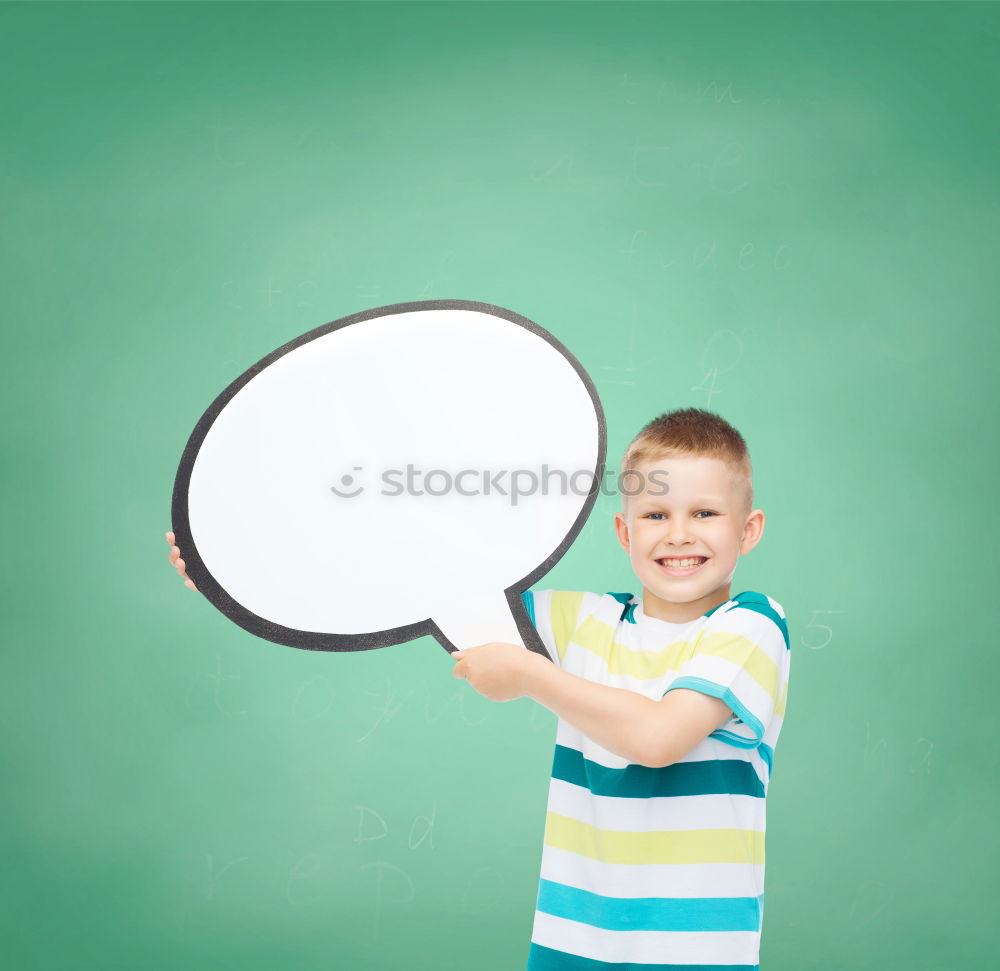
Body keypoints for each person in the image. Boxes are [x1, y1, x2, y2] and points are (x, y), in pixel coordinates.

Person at [166, 405, 790, 971]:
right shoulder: (585, 620)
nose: (679, 534)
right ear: (625, 533)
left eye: (704, 513)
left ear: (749, 530)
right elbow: (413, 583)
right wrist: (236, 564)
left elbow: (658, 737)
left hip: (698, 953)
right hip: (571, 945)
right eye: (656, 514)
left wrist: (531, 675)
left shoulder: (753, 627)